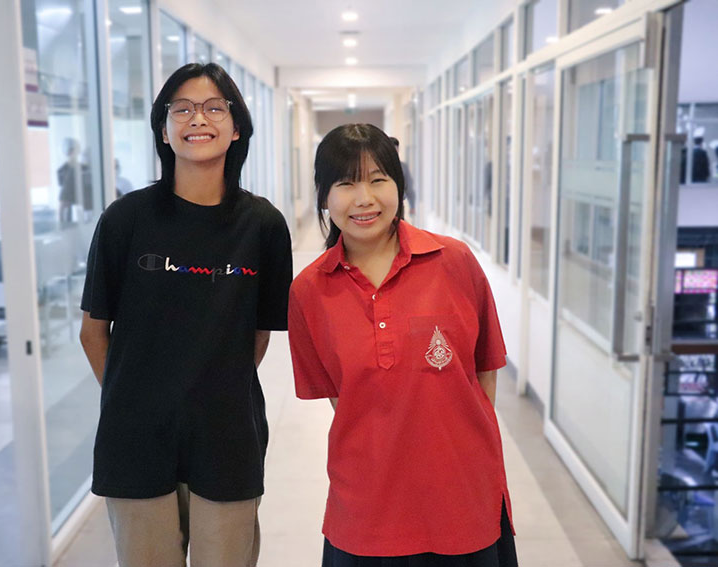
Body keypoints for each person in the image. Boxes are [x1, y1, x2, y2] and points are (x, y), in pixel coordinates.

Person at [79, 62, 293, 567]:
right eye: (182, 109)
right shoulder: (125, 219)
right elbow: (93, 332)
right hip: (136, 439)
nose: (198, 118)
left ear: (236, 128)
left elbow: (258, 334)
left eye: (215, 108)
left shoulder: (263, 225)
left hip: (228, 434)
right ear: (163, 129)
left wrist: (209, 389)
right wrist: (135, 398)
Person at [288, 123, 517, 566]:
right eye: (346, 184)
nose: (364, 198)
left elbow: (484, 372)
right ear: (324, 196)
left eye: (378, 180)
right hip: (366, 512)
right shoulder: (309, 291)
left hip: (463, 503)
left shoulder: (455, 262)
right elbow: (344, 401)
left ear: (399, 185)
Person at [389, 136, 415, 217]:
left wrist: (412, 206)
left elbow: (409, 188)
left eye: (396, 150)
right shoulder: (380, 167)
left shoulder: (403, 167)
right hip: (384, 205)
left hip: (399, 205)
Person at [57, 137, 80, 223]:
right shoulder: (64, 170)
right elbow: (62, 204)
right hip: (69, 210)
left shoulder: (80, 168)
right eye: (72, 150)